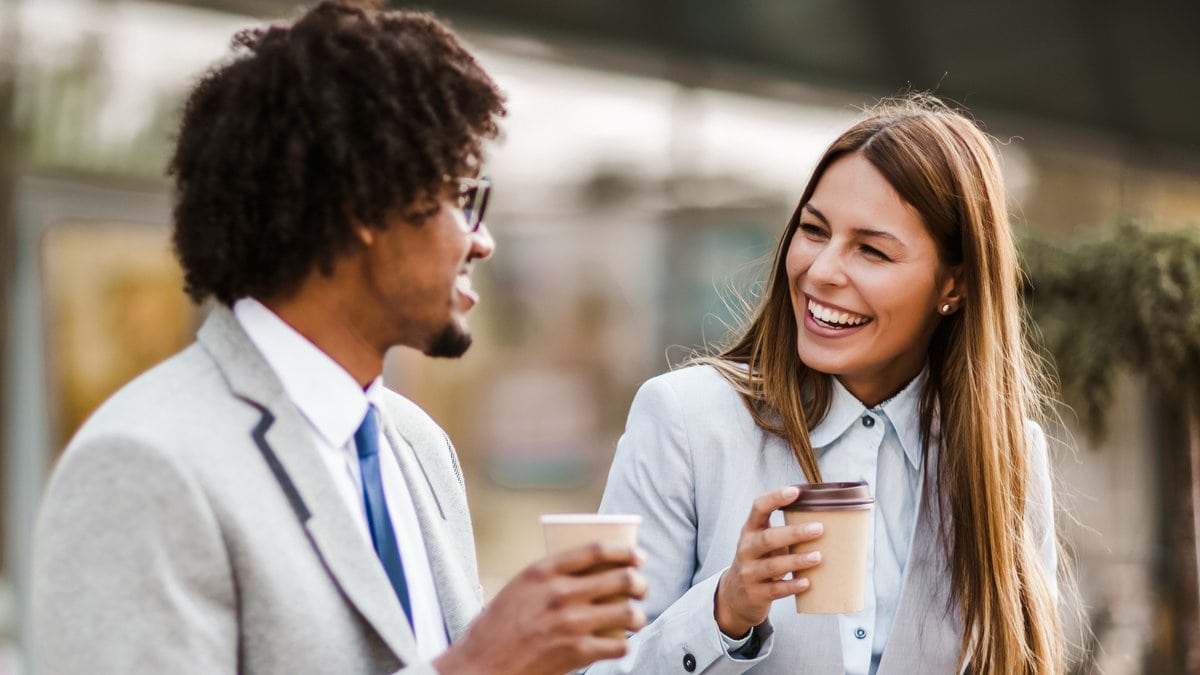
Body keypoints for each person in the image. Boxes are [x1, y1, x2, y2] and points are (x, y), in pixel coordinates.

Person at [31, 2, 647, 673]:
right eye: (463, 198)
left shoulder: (418, 447)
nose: (484, 241)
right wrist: (475, 666)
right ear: (365, 205)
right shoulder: (143, 463)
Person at [592, 95, 1063, 674]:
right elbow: (592, 666)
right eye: (814, 231)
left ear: (955, 285)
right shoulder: (686, 421)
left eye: (871, 250)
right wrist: (724, 610)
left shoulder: (1006, 456)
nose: (820, 272)